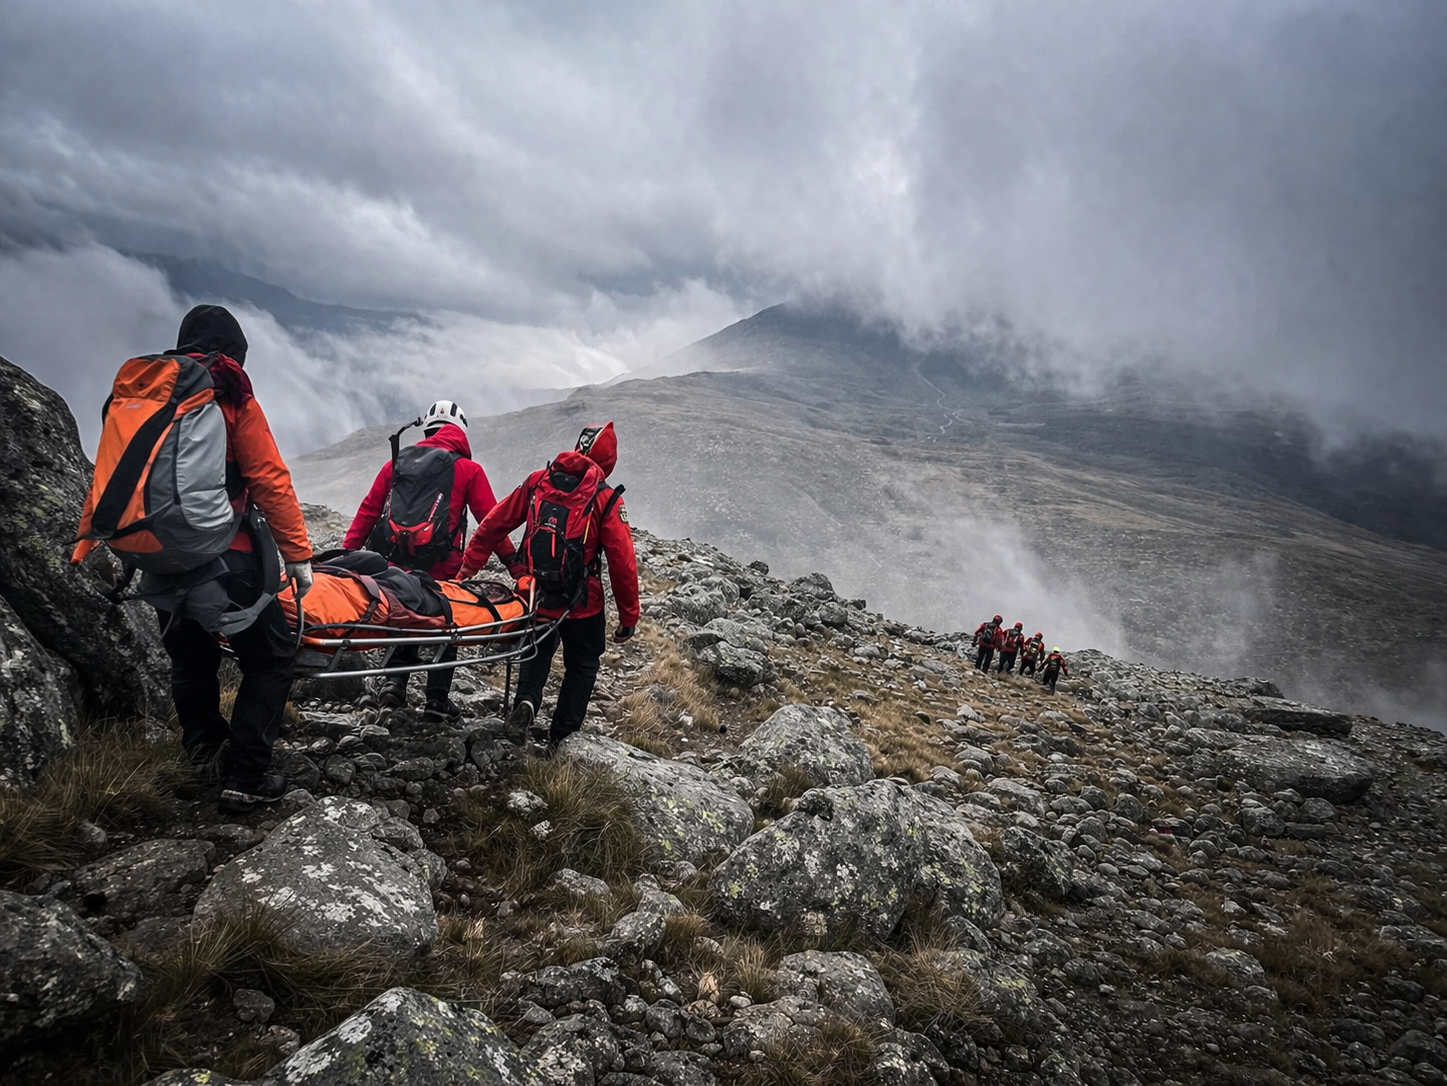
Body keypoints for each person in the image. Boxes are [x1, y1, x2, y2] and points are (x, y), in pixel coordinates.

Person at [75, 305, 313, 815]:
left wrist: (85, 541)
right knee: (270, 658)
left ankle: (205, 753)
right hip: (227, 559)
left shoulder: (139, 393)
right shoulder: (228, 393)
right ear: (234, 351)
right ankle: (246, 777)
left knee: (191, 660)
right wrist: (297, 556)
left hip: (157, 558)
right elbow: (269, 479)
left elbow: (110, 477)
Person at [457, 421, 639, 752]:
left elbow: (494, 523)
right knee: (582, 665)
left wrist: (470, 564)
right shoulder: (606, 499)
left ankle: (526, 701)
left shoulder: (538, 481)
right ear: (609, 462)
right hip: (584, 603)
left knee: (537, 650)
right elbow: (622, 562)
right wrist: (629, 616)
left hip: (536, 594)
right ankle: (562, 738)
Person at [343, 400, 513, 722]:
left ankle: (394, 684)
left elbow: (369, 510)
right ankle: (436, 700)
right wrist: (516, 567)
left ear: (427, 430)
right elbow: (492, 524)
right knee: (447, 624)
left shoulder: (397, 463)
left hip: (397, 563)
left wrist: (346, 554)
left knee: (402, 614)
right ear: (459, 432)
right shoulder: (468, 469)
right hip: (444, 569)